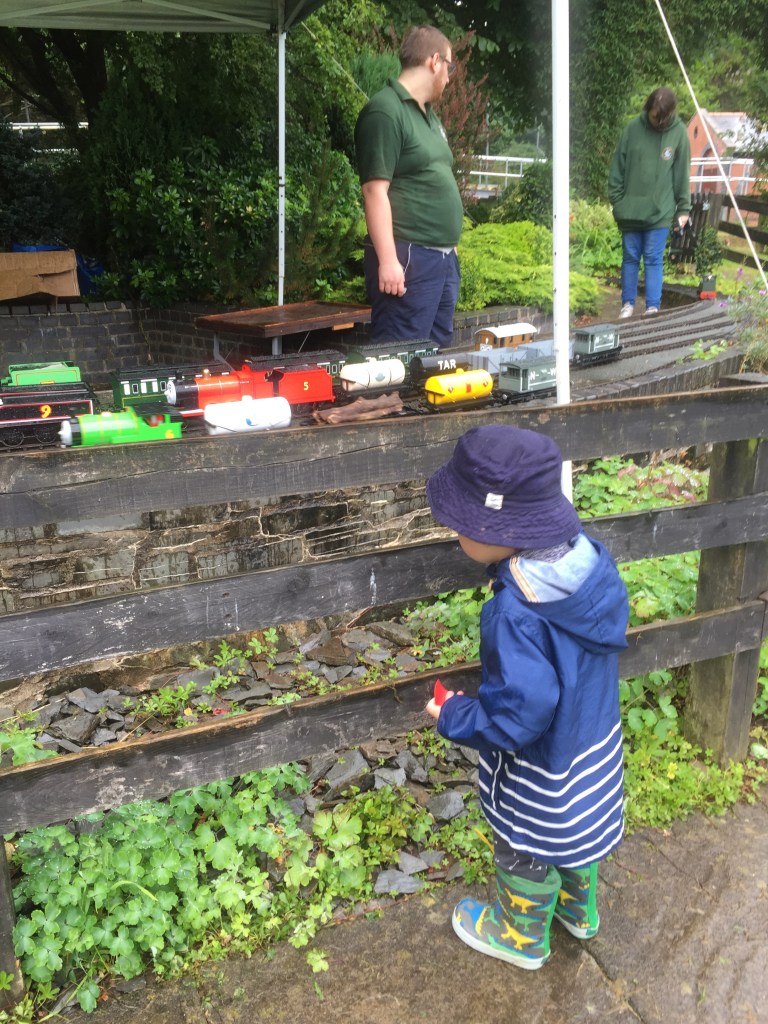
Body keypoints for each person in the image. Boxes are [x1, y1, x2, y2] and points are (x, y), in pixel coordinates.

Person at [424, 425, 629, 970]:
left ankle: (520, 937)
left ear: (498, 528)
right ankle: (577, 912)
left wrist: (455, 714)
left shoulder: (516, 612)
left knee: (525, 841)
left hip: (545, 772)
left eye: (459, 523)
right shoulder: (588, 567)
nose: (454, 533)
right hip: (593, 754)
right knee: (576, 833)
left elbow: (519, 715)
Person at [354, 25, 463, 348]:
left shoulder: (429, 116)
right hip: (408, 257)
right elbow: (374, 191)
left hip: (441, 260)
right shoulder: (385, 111)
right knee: (399, 357)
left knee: (433, 357)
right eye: (450, 67)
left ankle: (414, 402)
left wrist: (450, 248)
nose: (449, 76)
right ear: (434, 61)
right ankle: (390, 402)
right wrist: (388, 260)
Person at [608, 87, 691, 318]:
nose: (659, 121)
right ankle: (627, 305)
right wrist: (618, 201)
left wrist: (683, 208)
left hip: (660, 211)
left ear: (671, 113)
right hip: (631, 211)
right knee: (630, 258)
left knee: (653, 258)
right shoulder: (632, 129)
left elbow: (682, 174)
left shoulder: (679, 133)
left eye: (663, 117)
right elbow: (618, 167)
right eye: (655, 116)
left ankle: (652, 308)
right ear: (648, 109)